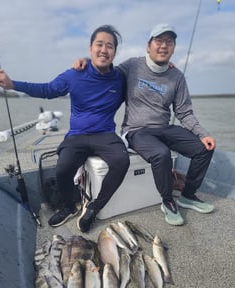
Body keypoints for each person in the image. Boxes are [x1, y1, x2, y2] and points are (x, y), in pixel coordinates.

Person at [73, 23, 216, 226]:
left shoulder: (177, 76)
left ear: (173, 48)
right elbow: (105, 70)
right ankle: (167, 201)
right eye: (158, 41)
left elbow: (184, 112)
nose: (163, 46)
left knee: (204, 148)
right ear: (148, 46)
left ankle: (188, 196)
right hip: (136, 131)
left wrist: (203, 134)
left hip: (163, 128)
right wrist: (87, 62)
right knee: (161, 153)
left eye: (169, 42)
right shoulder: (132, 65)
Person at [0, 25, 130, 232]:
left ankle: (94, 207)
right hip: (77, 135)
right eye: (99, 44)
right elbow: (47, 90)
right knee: (63, 168)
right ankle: (69, 207)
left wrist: (164, 67)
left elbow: (144, 77)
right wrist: (13, 85)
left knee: (122, 160)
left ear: (115, 52)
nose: (104, 50)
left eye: (109, 46)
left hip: (105, 134)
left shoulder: (120, 78)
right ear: (90, 47)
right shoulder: (75, 74)